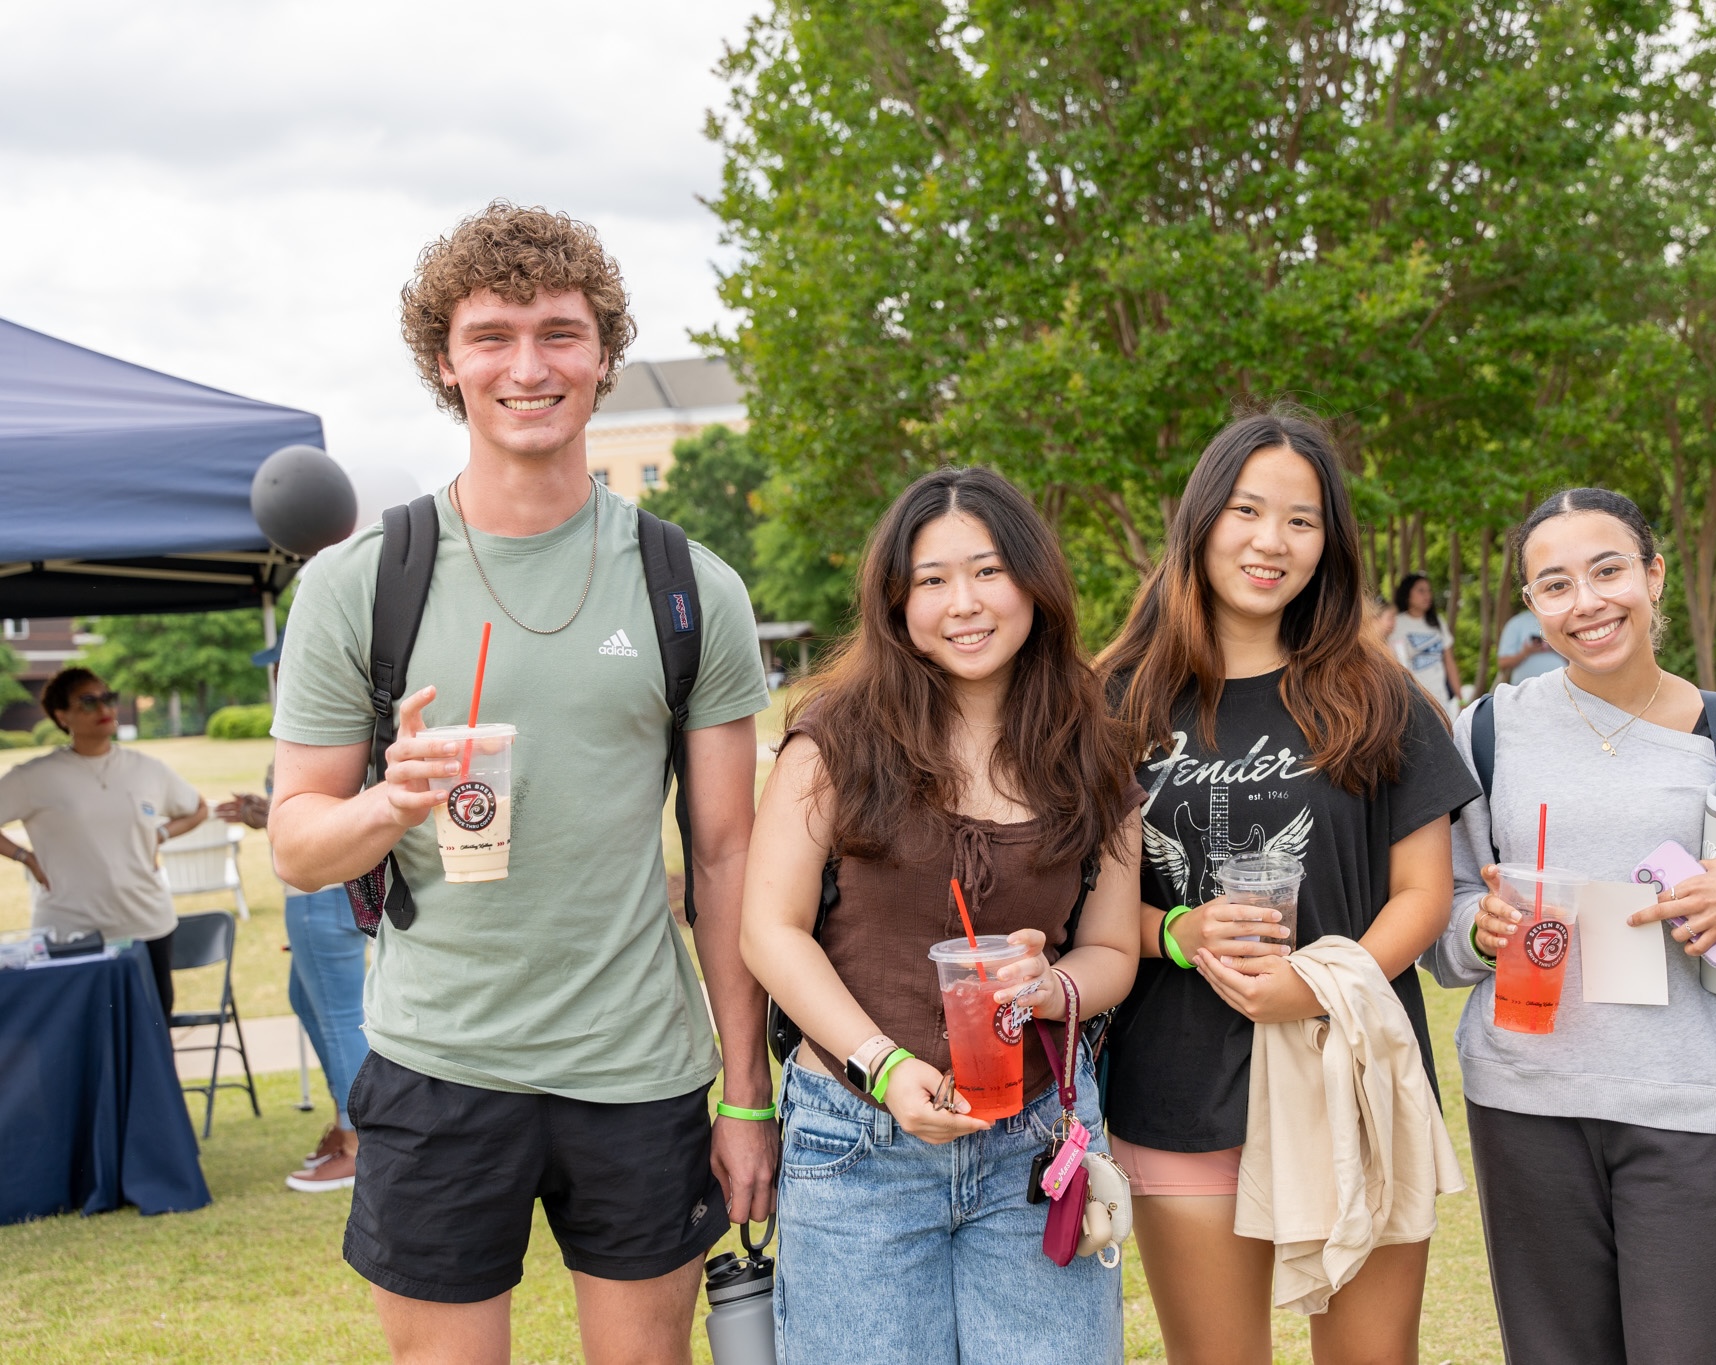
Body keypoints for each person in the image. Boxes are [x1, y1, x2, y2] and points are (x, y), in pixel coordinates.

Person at [266, 202, 776, 1364]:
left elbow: (726, 856)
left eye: (559, 333)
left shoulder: (688, 586)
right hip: (437, 1064)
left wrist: (746, 1097)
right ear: (445, 362)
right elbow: (296, 845)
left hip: (637, 1065)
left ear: (603, 354)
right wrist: (389, 803)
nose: (528, 367)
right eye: (491, 336)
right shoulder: (359, 584)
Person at [1423, 487, 1716, 1365]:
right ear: (1532, 605)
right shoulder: (1488, 733)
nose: (1587, 602)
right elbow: (1443, 907)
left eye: (1608, 570)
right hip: (1526, 1103)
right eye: (1556, 585)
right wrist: (1480, 927)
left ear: (1654, 575)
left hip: (1692, 1105)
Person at [1096, 411, 1480, 1365]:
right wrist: (1178, 932)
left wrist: (1315, 983)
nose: (1271, 541)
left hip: (1352, 1073)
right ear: (1200, 521)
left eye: (1301, 520)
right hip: (1180, 1088)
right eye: (1246, 510)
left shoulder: (1380, 695)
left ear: (1329, 543)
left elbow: (1423, 893)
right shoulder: (1115, 699)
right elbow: (1077, 903)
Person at [741, 466, 1143, 1363]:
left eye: (988, 570)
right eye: (932, 579)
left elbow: (1114, 948)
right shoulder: (835, 741)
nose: (964, 602)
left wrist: (1051, 985)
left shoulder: (1093, 753)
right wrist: (882, 1066)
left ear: (1034, 582)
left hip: (1034, 1143)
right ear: (897, 600)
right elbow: (769, 930)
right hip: (856, 1139)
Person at [0, 668, 208, 1025]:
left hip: (146, 923)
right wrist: (25, 857)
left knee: (153, 1035)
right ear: (62, 716)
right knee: (80, 1038)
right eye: (88, 701)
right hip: (70, 930)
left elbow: (197, 808)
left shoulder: (146, 769)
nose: (103, 708)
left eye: (107, 698)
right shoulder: (34, 776)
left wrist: (158, 835)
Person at [219, 772, 367, 1194]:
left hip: (323, 889)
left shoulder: (323, 732)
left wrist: (274, 815)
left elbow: (335, 806)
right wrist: (267, 813)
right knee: (305, 1001)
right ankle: (347, 1125)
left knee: (340, 1018)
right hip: (319, 889)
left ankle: (360, 1146)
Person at [1391, 572, 1459, 712]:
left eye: (1429, 591)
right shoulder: (1396, 624)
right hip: (1413, 702)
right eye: (1421, 591)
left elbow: (1449, 662)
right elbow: (1394, 665)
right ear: (1407, 593)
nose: (1427, 595)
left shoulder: (1437, 622)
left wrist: (1461, 698)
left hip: (1441, 700)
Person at [1495, 606, 1563, 685]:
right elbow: (1503, 663)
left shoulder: (1563, 619)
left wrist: (1555, 647)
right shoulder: (1516, 622)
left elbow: (1575, 659)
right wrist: (1526, 652)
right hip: (1524, 688)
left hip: (1561, 686)